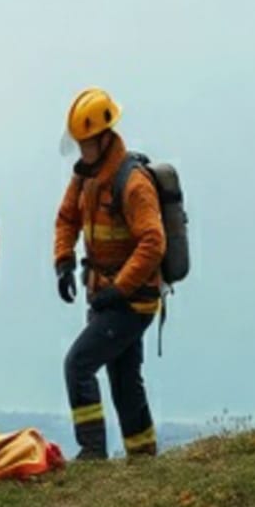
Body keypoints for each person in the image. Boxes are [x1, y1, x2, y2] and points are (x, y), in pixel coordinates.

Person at [53, 87, 165, 461]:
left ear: (104, 139)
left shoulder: (132, 183)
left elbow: (153, 241)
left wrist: (119, 289)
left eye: (85, 143)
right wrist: (63, 261)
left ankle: (92, 452)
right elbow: (67, 216)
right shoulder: (87, 175)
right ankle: (144, 455)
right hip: (105, 293)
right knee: (123, 377)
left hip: (132, 301)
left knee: (78, 365)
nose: (80, 151)